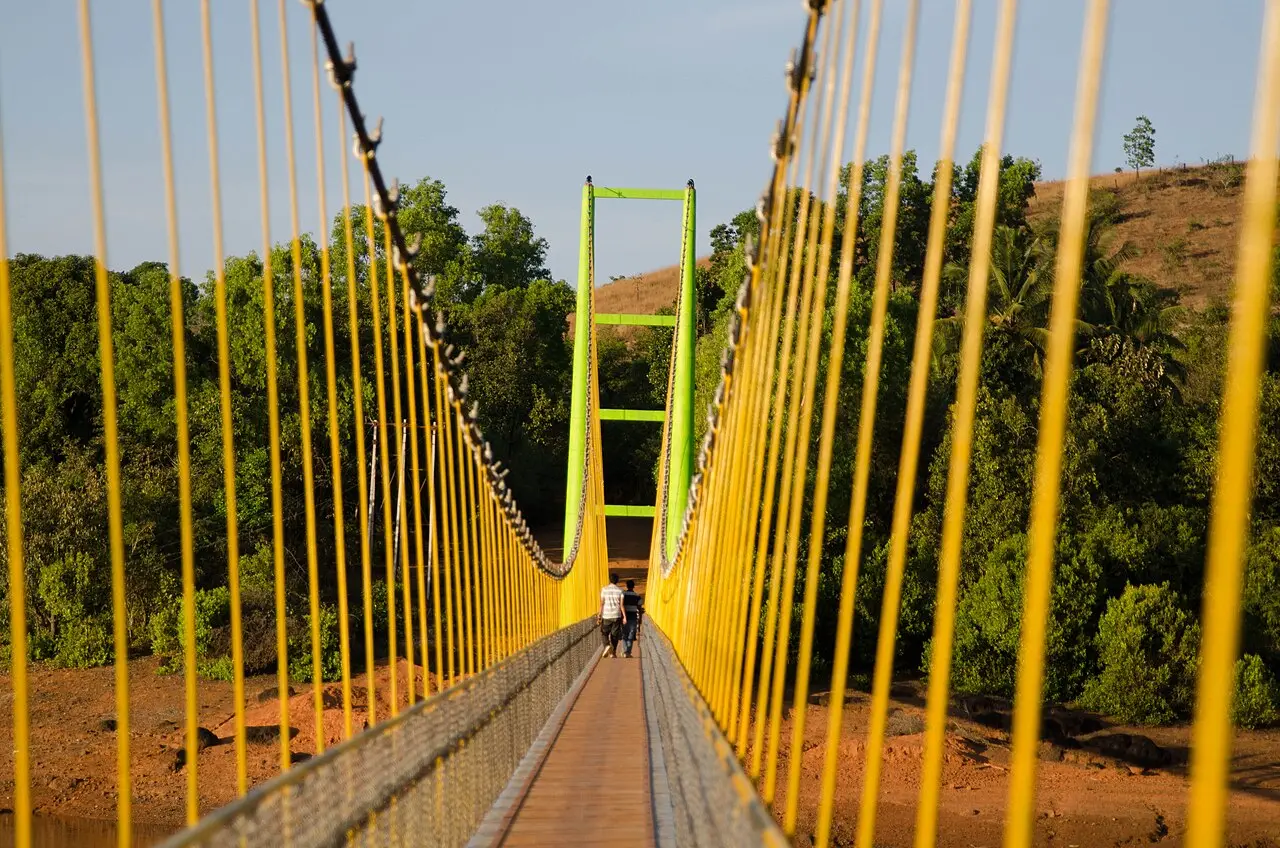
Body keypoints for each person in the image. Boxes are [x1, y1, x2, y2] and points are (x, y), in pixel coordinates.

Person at [597, 572, 626, 658]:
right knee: (614, 635)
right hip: (616, 615)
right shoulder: (620, 591)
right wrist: (624, 617)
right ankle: (613, 652)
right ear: (617, 581)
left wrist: (599, 615)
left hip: (606, 615)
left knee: (604, 633)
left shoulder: (604, 589)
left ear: (610, 580)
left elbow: (602, 603)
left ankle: (607, 645)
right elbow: (621, 605)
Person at [620, 579, 644, 658]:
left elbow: (620, 605)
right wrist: (640, 618)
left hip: (624, 617)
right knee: (631, 635)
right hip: (633, 618)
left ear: (626, 586)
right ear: (634, 587)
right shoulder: (637, 596)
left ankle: (625, 651)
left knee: (624, 635)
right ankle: (628, 652)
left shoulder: (623, 594)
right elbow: (639, 608)